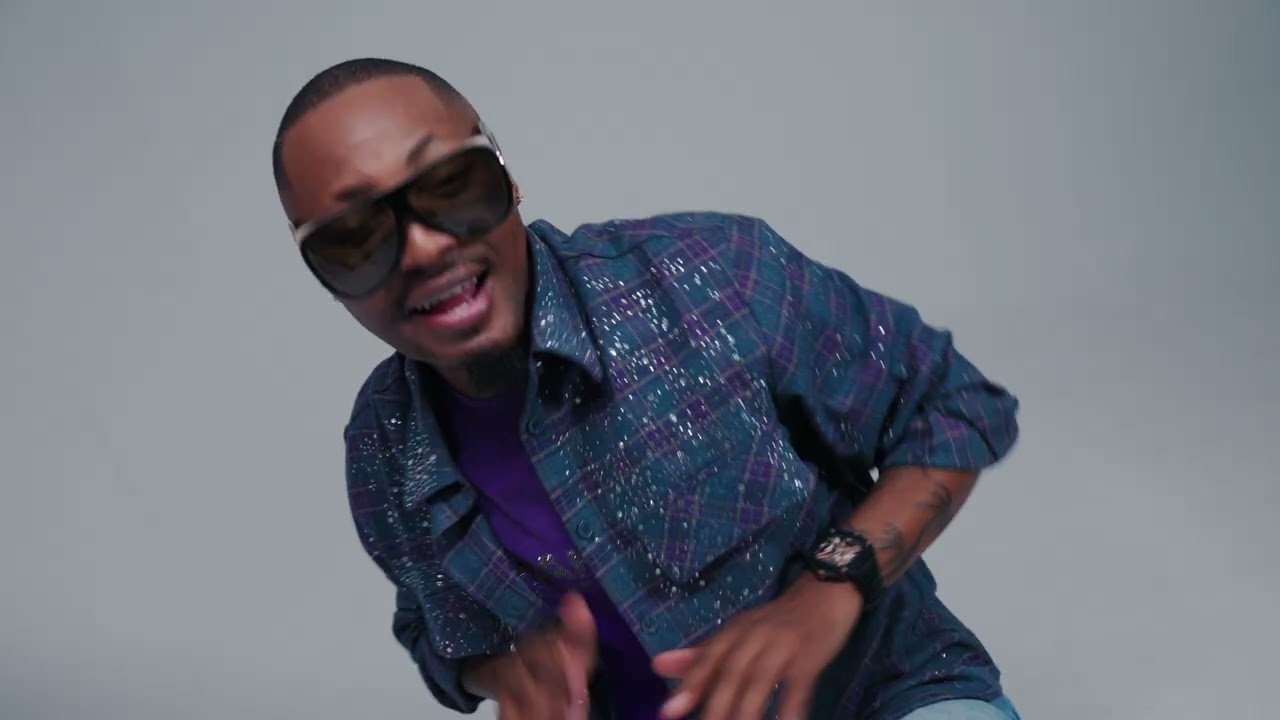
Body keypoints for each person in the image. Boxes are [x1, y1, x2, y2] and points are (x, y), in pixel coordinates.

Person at [271, 57, 1022, 720]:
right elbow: (432, 628)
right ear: (324, 279)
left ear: (506, 175)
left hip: (886, 699)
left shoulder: (711, 278)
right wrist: (506, 672)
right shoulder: (385, 450)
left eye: (449, 186)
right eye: (355, 238)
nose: (424, 248)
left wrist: (832, 585)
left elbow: (952, 404)